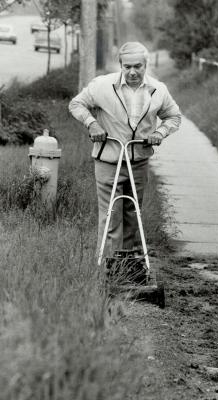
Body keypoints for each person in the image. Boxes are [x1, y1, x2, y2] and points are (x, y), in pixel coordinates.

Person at [69, 42, 181, 258]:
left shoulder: (158, 90)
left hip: (138, 160)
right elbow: (76, 104)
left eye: (137, 66)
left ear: (146, 65)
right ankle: (108, 264)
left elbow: (174, 116)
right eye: (127, 66)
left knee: (133, 213)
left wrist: (160, 133)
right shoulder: (101, 85)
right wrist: (92, 124)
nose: (132, 72)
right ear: (120, 65)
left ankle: (128, 263)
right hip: (109, 159)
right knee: (111, 214)